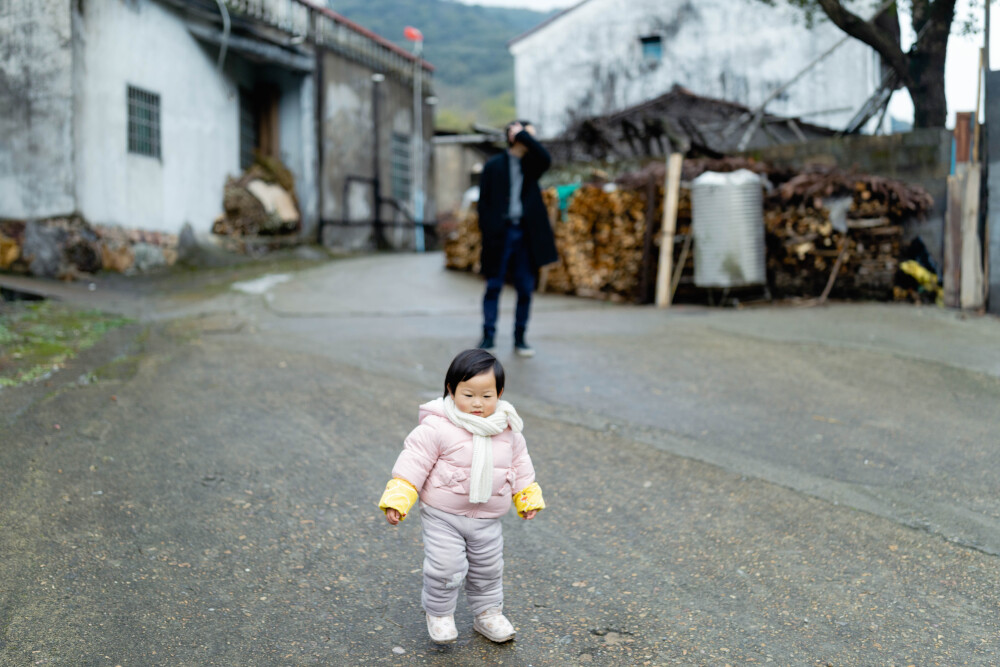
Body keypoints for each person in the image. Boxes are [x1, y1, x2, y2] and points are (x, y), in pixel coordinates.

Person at [378, 349, 546, 644]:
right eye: (468, 395)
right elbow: (414, 461)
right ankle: (440, 614)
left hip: (487, 518)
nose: (477, 404)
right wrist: (399, 496)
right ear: (451, 390)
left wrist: (526, 496)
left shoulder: (508, 430)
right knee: (446, 567)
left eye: (486, 395)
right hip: (443, 514)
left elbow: (520, 465)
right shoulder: (438, 426)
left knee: (489, 568)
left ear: (500, 393)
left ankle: (488, 614)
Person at [476, 120, 558, 357]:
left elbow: (546, 158)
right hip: (500, 235)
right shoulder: (493, 166)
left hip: (526, 234)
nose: (529, 140)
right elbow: (484, 204)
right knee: (493, 285)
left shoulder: (532, 165)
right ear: (513, 137)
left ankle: (520, 337)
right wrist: (489, 229)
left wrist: (525, 135)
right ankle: (488, 335)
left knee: (525, 287)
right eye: (524, 136)